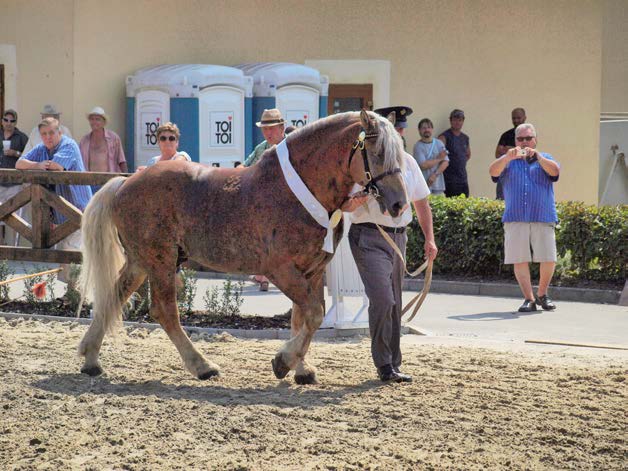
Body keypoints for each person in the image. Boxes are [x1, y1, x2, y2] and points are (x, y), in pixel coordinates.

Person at [343, 150, 438, 383]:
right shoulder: (362, 161)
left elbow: (421, 201)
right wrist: (357, 201)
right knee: (383, 299)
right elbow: (344, 205)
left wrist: (430, 238)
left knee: (395, 301)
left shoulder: (409, 162)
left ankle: (393, 363)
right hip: (368, 233)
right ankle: (384, 364)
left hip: (398, 237)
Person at [489, 123, 560, 313]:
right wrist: (506, 157)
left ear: (535, 140)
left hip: (542, 215)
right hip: (516, 216)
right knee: (519, 258)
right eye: (520, 139)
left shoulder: (546, 158)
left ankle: (543, 294)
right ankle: (529, 298)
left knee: (548, 257)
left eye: (528, 138)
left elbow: (555, 172)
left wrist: (539, 157)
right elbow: (493, 172)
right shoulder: (508, 161)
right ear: (515, 141)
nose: (524, 142)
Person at [17, 117, 92, 288]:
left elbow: (56, 166)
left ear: (60, 132)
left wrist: (40, 165)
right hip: (60, 213)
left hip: (78, 209)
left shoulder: (69, 144)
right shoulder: (42, 149)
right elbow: (19, 163)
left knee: (71, 251)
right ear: (41, 136)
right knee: (66, 252)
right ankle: (73, 294)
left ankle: (75, 294)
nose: (48, 137)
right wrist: (38, 164)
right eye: (44, 134)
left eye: (51, 132)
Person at [0, 109, 29, 244]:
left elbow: (29, 156)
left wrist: (15, 153)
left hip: (14, 184)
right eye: (6, 120)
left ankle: (13, 248)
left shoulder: (22, 137)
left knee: (14, 217)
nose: (8, 123)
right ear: (2, 121)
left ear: (16, 122)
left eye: (12, 121)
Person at [79, 106, 128, 173]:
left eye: (97, 119)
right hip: (88, 181)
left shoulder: (114, 139)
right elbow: (79, 163)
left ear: (104, 122)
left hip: (110, 180)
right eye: (92, 119)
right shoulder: (84, 141)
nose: (94, 122)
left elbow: (122, 161)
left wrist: (126, 179)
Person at [494, 108, 527, 199]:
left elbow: (528, 153)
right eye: (514, 118)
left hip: (523, 176)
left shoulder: (529, 135)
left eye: (518, 118)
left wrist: (510, 150)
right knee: (501, 202)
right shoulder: (506, 135)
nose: (516, 120)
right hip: (506, 174)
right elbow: (497, 154)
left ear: (524, 118)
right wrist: (519, 151)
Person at [439, 109, 471, 197]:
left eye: (460, 120)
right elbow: (439, 156)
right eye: (455, 119)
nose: (457, 122)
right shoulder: (444, 137)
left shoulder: (465, 138)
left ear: (463, 121)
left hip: (463, 179)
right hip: (449, 181)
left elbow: (468, 155)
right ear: (450, 120)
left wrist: (459, 161)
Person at [413, 118, 449, 195]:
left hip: (439, 186)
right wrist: (439, 158)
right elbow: (423, 165)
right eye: (424, 128)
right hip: (424, 185)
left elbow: (445, 162)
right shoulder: (418, 146)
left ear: (432, 129)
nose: (427, 130)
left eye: (429, 127)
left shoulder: (439, 143)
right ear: (419, 130)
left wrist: (435, 175)